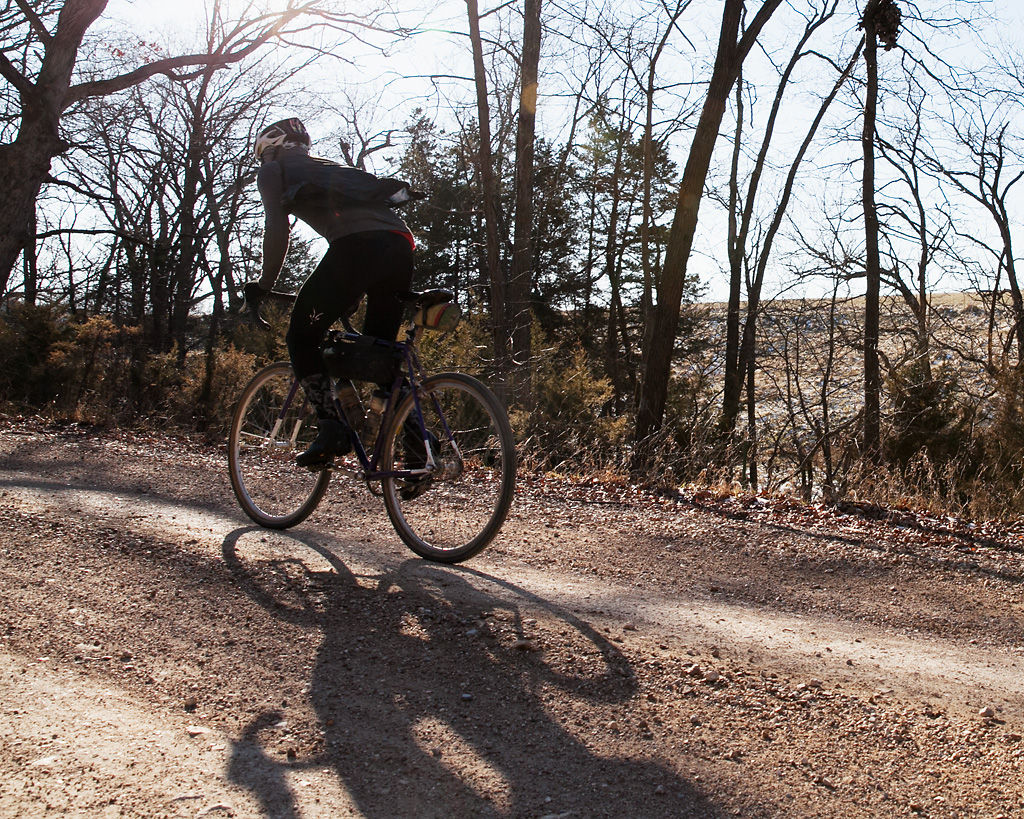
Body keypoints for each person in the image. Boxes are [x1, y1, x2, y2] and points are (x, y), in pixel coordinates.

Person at [245, 117, 416, 468]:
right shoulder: (331, 167)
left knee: (301, 338)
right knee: (380, 356)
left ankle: (330, 428)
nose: (263, 163)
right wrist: (349, 291)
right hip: (401, 245)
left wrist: (263, 285)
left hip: (356, 246)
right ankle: (419, 451)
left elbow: (277, 230)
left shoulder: (273, 171)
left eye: (263, 155)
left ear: (272, 148)